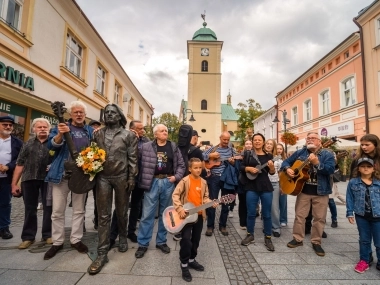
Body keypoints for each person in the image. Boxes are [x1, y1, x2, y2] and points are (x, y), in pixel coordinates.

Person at [87, 104, 138, 274]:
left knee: (122, 211)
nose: (109, 114)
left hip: (121, 177)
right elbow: (91, 154)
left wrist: (131, 177)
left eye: (112, 112)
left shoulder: (128, 135)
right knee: (103, 215)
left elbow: (133, 158)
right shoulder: (97, 134)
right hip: (103, 178)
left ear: (119, 116)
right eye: (106, 112)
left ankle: (122, 236)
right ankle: (102, 252)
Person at [44, 101, 94, 260]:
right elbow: (51, 146)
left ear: (85, 115)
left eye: (81, 112)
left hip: (81, 176)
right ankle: (57, 242)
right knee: (58, 211)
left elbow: (96, 149)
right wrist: (60, 134)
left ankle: (76, 239)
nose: (79, 115)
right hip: (61, 175)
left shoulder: (90, 131)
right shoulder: (60, 127)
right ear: (70, 114)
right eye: (76, 112)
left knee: (79, 210)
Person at [135, 124, 185, 259]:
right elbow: (137, 163)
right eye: (162, 131)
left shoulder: (173, 147)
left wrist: (176, 177)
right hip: (152, 182)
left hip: (168, 182)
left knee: (166, 214)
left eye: (166, 130)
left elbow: (181, 164)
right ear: (155, 134)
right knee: (147, 214)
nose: (165, 133)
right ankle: (143, 243)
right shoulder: (146, 147)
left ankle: (161, 241)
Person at [282, 132, 335, 257]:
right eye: (308, 138)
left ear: (320, 142)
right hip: (303, 190)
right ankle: (297, 239)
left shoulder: (327, 153)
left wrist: (317, 163)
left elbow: (330, 170)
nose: (310, 140)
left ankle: (316, 241)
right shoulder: (301, 152)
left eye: (313, 138)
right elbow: (286, 162)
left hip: (321, 192)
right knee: (299, 216)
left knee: (319, 218)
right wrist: (287, 169)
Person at [172, 158, 218, 282]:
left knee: (196, 239)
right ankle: (184, 264)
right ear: (190, 169)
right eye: (195, 168)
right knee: (186, 240)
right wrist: (180, 208)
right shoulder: (184, 181)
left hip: (198, 215)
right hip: (186, 216)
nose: (198, 170)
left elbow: (205, 198)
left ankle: (192, 259)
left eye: (200, 168)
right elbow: (175, 195)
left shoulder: (203, 182)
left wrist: (211, 202)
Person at [11, 118, 53, 249]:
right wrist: (14, 184)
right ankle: (28, 237)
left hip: (48, 180)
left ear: (49, 129)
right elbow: (19, 164)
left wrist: (54, 166)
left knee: (48, 208)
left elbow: (60, 160)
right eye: (39, 127)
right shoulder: (27, 144)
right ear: (34, 129)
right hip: (29, 179)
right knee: (30, 209)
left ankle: (48, 234)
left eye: (44, 127)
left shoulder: (53, 143)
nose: (42, 129)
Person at [109, 120, 150, 247]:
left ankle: (131, 231)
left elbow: (145, 156)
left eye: (143, 128)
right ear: (132, 129)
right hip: (125, 177)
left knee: (136, 206)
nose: (142, 131)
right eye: (139, 128)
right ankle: (113, 234)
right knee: (121, 206)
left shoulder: (146, 141)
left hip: (139, 178)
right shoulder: (124, 138)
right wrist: (133, 140)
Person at [240, 133, 275, 251]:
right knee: (251, 213)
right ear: (253, 142)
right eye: (255, 140)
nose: (257, 142)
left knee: (267, 214)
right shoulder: (248, 154)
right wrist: (248, 168)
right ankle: (250, 235)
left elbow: (272, 173)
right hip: (251, 186)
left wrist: (271, 168)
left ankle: (268, 237)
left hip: (265, 187)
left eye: (260, 140)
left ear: (263, 142)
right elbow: (241, 166)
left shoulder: (269, 156)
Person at [346, 157, 380, 273]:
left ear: (373, 168)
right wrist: (349, 213)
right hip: (362, 216)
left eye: (368, 166)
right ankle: (364, 260)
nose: (366, 168)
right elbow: (349, 198)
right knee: (364, 240)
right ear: (359, 168)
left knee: (379, 241)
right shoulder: (353, 182)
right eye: (363, 166)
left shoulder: (378, 182)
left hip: (378, 216)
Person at [203, 131, 237, 236]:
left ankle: (223, 225)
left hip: (226, 179)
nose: (226, 141)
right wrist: (211, 155)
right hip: (214, 178)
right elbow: (202, 155)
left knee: (225, 202)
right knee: (212, 202)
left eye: (228, 140)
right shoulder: (213, 148)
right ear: (220, 138)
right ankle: (210, 226)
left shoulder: (232, 150)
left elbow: (237, 163)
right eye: (224, 139)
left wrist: (233, 162)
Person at [173, 129, 204, 242]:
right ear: (194, 137)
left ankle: (178, 228)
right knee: (190, 205)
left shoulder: (176, 147)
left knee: (180, 204)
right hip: (192, 181)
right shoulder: (197, 151)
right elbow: (203, 166)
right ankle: (185, 230)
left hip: (178, 178)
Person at [0, 116, 23, 240]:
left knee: (5, 203)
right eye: (5, 125)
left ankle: (4, 228)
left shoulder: (17, 142)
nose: (8, 127)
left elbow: (20, 159)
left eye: (10, 125)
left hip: (6, 178)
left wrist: (8, 167)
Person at [265, 139, 282, 237]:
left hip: (274, 183)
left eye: (271, 144)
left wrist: (281, 186)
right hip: (264, 184)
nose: (268, 145)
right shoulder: (261, 156)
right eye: (267, 143)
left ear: (273, 146)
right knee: (265, 206)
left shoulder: (277, 158)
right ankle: (267, 226)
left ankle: (276, 227)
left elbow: (280, 173)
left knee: (274, 207)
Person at [88, 119, 102, 230]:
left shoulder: (101, 138)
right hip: (86, 172)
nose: (95, 128)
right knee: (81, 200)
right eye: (93, 126)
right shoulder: (88, 138)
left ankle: (97, 220)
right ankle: (80, 224)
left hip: (98, 173)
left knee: (98, 199)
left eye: (97, 126)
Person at [237, 139, 253, 230]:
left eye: (250, 143)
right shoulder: (239, 156)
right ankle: (242, 222)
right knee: (242, 202)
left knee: (250, 203)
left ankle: (249, 221)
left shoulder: (254, 155)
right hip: (242, 181)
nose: (248, 145)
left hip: (251, 181)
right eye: (247, 143)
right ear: (244, 145)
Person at [277, 144, 288, 227]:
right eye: (277, 148)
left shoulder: (286, 160)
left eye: (281, 149)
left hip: (283, 182)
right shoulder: (272, 158)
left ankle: (283, 219)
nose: (279, 150)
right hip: (274, 181)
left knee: (283, 202)